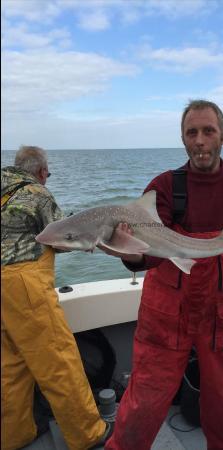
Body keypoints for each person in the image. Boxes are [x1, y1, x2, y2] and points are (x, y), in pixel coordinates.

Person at [101, 100, 223, 450]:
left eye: (208, 131)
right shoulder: (162, 186)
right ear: (183, 139)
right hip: (167, 313)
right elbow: (149, 255)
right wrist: (129, 253)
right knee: (143, 400)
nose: (200, 140)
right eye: (192, 133)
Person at [1, 146, 112, 450]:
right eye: (48, 173)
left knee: (11, 365)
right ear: (40, 171)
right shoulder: (38, 192)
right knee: (58, 360)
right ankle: (88, 433)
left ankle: (13, 435)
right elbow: (64, 237)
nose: (47, 178)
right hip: (22, 283)